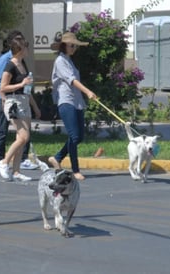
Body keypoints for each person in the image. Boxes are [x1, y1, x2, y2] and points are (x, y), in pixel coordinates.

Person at [48, 32, 98, 181]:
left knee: (79, 136)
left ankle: (57, 158)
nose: (74, 48)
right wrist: (88, 92)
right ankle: (75, 170)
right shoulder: (60, 61)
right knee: (74, 135)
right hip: (66, 101)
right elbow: (72, 81)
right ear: (63, 46)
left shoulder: (69, 60)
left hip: (76, 102)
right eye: (71, 45)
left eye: (75, 45)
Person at [0, 37, 41, 181]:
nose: (28, 49)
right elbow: (2, 87)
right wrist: (21, 84)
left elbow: (27, 89)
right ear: (19, 50)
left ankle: (16, 171)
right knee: (24, 137)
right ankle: (4, 162)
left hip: (24, 100)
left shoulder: (23, 64)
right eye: (26, 47)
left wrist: (34, 106)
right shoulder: (10, 65)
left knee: (20, 138)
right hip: (13, 101)